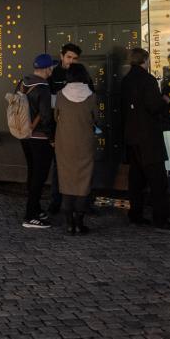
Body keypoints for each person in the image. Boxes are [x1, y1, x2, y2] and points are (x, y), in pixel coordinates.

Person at [121, 47, 170, 231]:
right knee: (157, 181)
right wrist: (164, 100)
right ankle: (161, 220)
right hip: (149, 138)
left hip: (132, 137)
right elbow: (153, 107)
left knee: (136, 179)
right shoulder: (148, 80)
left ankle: (135, 214)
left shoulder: (126, 80)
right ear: (145, 60)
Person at [54, 63, 99, 235]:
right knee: (83, 182)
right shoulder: (91, 96)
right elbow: (96, 118)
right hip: (85, 143)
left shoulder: (60, 95)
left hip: (64, 143)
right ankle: (80, 223)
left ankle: (69, 223)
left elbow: (55, 116)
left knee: (66, 181)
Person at [19, 53, 57, 229]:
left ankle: (36, 208)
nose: (52, 71)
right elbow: (46, 117)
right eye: (52, 67)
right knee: (39, 177)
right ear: (47, 68)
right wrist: (52, 138)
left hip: (25, 135)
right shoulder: (43, 88)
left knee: (32, 173)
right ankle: (30, 215)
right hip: (40, 138)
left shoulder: (23, 82)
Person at [46, 43, 83, 213]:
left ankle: (83, 203)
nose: (71, 61)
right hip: (58, 127)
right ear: (61, 56)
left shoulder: (80, 73)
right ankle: (55, 203)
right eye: (68, 57)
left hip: (76, 128)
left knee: (81, 167)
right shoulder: (53, 74)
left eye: (75, 58)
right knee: (58, 167)